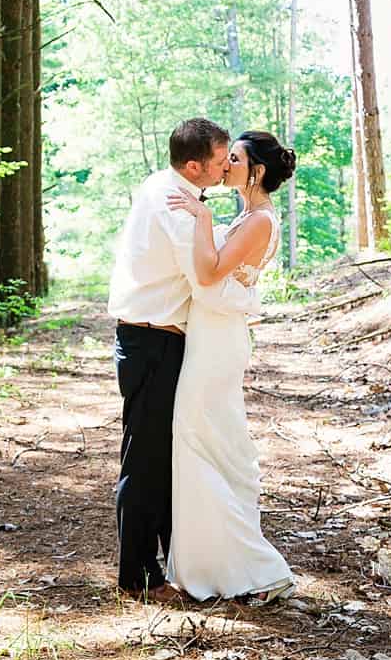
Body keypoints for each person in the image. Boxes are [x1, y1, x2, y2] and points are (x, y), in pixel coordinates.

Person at [107, 117, 262, 601]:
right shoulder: (176, 206)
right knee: (147, 459)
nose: (225, 169)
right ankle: (137, 576)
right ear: (193, 165)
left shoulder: (165, 186)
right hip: (151, 341)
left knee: (171, 456)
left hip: (162, 340)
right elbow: (205, 278)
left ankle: (172, 562)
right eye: (219, 162)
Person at [165, 130, 297, 603]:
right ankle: (213, 561)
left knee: (198, 436)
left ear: (256, 171)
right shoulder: (246, 216)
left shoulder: (260, 221)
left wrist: (200, 215)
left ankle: (254, 567)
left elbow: (209, 272)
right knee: (208, 441)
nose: (225, 165)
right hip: (208, 333)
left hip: (218, 340)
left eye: (234, 159)